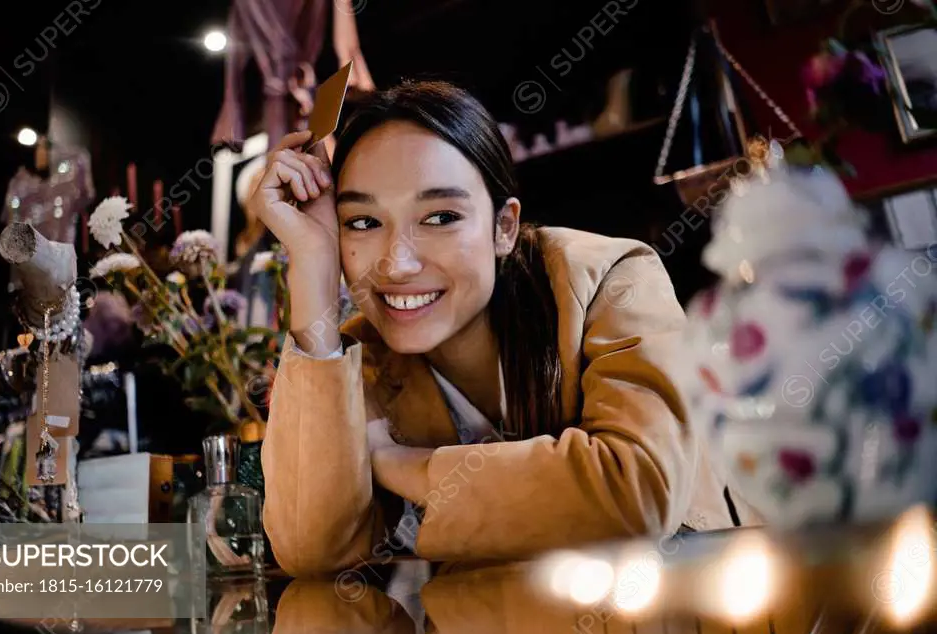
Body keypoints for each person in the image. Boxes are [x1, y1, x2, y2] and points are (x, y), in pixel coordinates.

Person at [249, 80, 744, 577]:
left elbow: (636, 495)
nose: (396, 264)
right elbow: (313, 551)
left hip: (686, 625)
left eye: (440, 217)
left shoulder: (607, 278)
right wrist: (312, 274)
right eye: (362, 222)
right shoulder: (365, 357)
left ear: (504, 227)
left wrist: (397, 462)